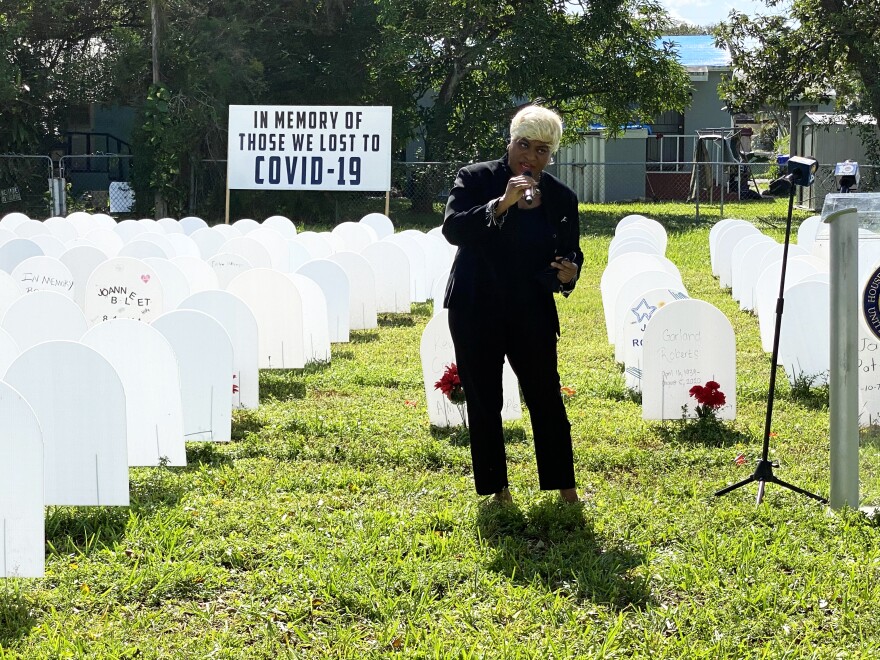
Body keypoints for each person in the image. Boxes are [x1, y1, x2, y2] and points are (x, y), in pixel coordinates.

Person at [442, 105, 584, 504]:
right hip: (475, 305)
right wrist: (500, 204)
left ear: (551, 155)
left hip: (531, 307)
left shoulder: (561, 196)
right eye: (524, 145)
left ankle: (565, 487)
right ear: (510, 142)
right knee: (485, 398)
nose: (531, 157)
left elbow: (571, 250)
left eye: (542, 150)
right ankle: (496, 489)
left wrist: (570, 271)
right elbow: (453, 229)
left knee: (545, 396)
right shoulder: (475, 178)